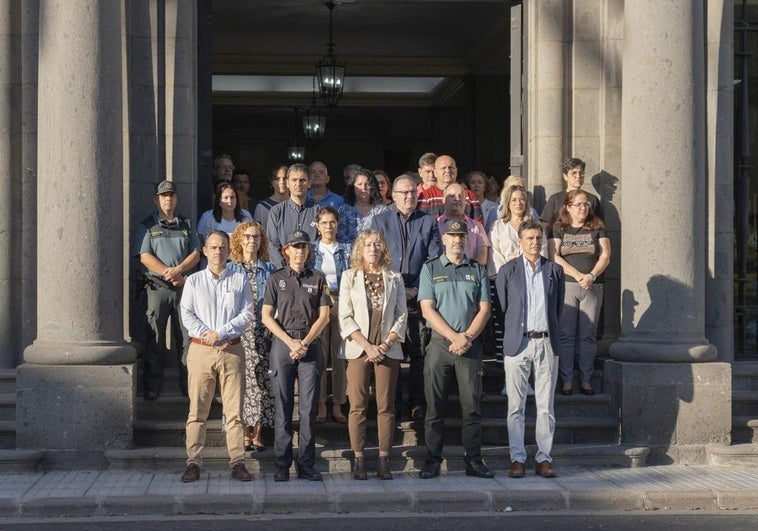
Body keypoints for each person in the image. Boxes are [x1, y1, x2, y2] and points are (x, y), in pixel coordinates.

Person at [418, 219, 494, 480]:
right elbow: (427, 308)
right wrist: (454, 337)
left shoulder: (478, 270)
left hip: (470, 347)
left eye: (462, 235)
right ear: (444, 239)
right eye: (452, 235)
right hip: (440, 345)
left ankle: (473, 460)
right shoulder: (431, 268)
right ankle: (432, 461)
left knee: (472, 408)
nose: (457, 240)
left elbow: (485, 309)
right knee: (434, 409)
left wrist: (467, 337)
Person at [179, 230, 255, 483]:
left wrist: (221, 332)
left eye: (222, 247)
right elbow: (187, 313)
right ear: (205, 251)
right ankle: (193, 462)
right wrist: (207, 334)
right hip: (201, 350)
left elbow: (246, 314)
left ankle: (237, 462)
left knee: (234, 412)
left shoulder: (239, 278)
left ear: (229, 250)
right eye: (213, 247)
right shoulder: (194, 281)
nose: (218, 252)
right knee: (197, 411)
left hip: (231, 349)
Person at [496, 219, 565, 479]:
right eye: (530, 238)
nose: (535, 243)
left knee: (545, 405)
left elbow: (556, 308)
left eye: (538, 238)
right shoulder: (508, 270)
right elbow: (504, 307)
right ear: (520, 241)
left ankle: (544, 458)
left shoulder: (554, 271)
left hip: (546, 342)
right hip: (518, 343)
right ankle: (517, 459)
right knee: (516, 406)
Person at [261, 230, 331, 482]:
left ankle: (306, 464)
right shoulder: (275, 278)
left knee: (308, 408)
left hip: (309, 344)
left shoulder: (318, 277)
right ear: (286, 251)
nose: (300, 251)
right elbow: (266, 316)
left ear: (309, 251)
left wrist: (304, 342)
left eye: (304, 247)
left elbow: (324, 316)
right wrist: (290, 341)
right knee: (283, 406)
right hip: (283, 343)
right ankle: (282, 464)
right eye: (295, 246)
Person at [339, 230, 407, 480]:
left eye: (377, 244)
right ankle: (358, 458)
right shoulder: (350, 277)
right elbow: (344, 316)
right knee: (357, 405)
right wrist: (367, 346)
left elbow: (402, 315)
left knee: (386, 405)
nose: (373, 248)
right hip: (359, 349)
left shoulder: (395, 278)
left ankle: (383, 458)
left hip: (388, 348)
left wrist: (385, 344)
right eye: (368, 244)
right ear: (360, 248)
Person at [372, 174, 441, 420]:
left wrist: (416, 290)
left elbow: (433, 260)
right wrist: (397, 289)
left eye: (413, 192)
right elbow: (375, 258)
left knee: (418, 351)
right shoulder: (380, 221)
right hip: (389, 294)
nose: (409, 197)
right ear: (393, 195)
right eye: (403, 193)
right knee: (390, 351)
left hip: (418, 295)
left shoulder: (429, 222)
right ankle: (394, 402)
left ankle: (416, 402)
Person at [135, 180, 201, 400]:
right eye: (164, 196)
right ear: (156, 199)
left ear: (176, 198)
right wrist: (168, 273)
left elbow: (196, 253)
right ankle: (152, 385)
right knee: (154, 337)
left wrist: (179, 271)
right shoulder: (148, 225)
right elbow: (144, 256)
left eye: (171, 195)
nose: (168, 199)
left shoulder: (187, 225)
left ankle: (188, 384)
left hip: (183, 287)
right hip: (157, 288)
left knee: (187, 338)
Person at [548, 189, 611, 396]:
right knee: (566, 335)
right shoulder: (559, 227)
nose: (583, 208)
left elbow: (605, 256)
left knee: (587, 336)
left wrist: (591, 276)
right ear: (568, 207)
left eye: (586, 204)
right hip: (567, 286)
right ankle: (566, 380)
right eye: (578, 204)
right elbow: (553, 255)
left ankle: (586, 379)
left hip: (592, 287)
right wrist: (577, 275)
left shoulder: (597, 227)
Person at [228, 221, 277, 452]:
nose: (251, 241)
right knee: (242, 381)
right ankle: (243, 431)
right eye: (247, 237)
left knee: (262, 381)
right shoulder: (231, 269)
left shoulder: (270, 269)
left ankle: (258, 431)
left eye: (256, 237)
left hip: (264, 330)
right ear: (239, 240)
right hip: (240, 332)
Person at [312, 206, 351, 424]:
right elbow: (311, 279)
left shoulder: (347, 249)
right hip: (318, 305)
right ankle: (320, 405)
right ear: (318, 226)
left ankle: (337, 405)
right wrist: (327, 301)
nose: (329, 227)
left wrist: (341, 303)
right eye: (324, 223)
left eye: (332, 222)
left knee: (339, 356)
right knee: (319, 357)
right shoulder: (311, 250)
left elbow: (353, 278)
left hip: (343, 304)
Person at [266, 163, 320, 267]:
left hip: (312, 271)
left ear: (309, 183)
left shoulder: (318, 211)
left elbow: (321, 243)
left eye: (302, 180)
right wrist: (284, 270)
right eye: (294, 180)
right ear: (287, 183)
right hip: (284, 272)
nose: (298, 184)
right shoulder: (276, 211)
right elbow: (272, 244)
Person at [417, 154, 483, 224]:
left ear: (456, 171)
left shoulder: (469, 196)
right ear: (435, 173)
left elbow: (478, 226)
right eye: (443, 168)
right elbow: (421, 227)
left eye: (451, 167)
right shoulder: (425, 197)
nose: (447, 171)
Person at [437, 183, 490, 266]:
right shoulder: (435, 225)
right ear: (443, 199)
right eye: (452, 196)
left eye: (461, 196)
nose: (457, 199)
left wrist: (465, 271)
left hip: (471, 275)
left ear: (465, 201)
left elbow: (482, 258)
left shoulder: (477, 227)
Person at [540, 158, 603, 227]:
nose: (578, 176)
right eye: (574, 173)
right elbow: (545, 225)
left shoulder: (592, 199)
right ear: (565, 176)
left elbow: (599, 224)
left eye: (581, 173)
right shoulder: (555, 199)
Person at [337, 167, 389, 243]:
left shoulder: (383, 211)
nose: (363, 188)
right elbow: (340, 237)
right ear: (353, 187)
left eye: (367, 184)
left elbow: (386, 237)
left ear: (373, 187)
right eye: (359, 184)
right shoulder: (344, 210)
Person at [253, 164, 289, 230]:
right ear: (271, 182)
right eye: (277, 179)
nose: (281, 182)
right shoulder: (262, 207)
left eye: (285, 178)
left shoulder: (296, 204)